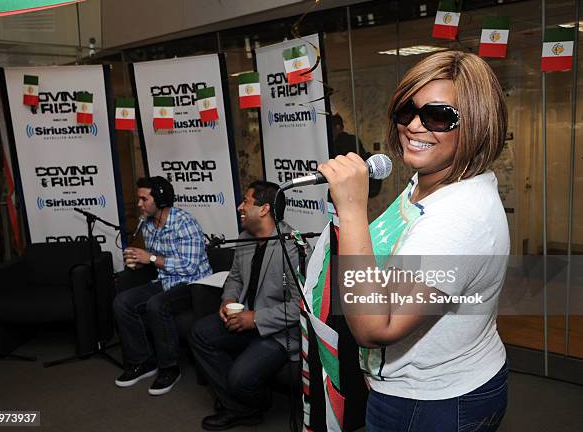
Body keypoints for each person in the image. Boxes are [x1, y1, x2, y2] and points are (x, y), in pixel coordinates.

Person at [317, 51, 510, 431]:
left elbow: (375, 328)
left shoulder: (458, 218)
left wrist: (353, 210)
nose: (415, 127)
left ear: (476, 123)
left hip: (433, 401)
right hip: (414, 386)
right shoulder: (430, 180)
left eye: (439, 116)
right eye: (408, 110)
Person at [191, 180, 302, 431]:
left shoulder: (291, 246)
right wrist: (228, 299)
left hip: (277, 333)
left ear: (264, 209)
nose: (240, 207)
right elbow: (235, 278)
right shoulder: (245, 238)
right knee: (200, 333)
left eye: (246, 202)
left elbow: (299, 306)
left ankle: (250, 402)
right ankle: (242, 408)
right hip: (243, 320)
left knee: (240, 379)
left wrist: (256, 318)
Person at [113, 176, 212, 395]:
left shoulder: (184, 222)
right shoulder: (147, 224)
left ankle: (170, 368)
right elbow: (156, 259)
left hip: (192, 283)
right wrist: (140, 262)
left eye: (143, 199)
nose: (139, 204)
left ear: (160, 198)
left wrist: (148, 258)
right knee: (122, 302)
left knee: (157, 305)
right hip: (165, 279)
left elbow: (189, 266)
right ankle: (144, 361)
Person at [331, 113, 382, 198]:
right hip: (357, 185)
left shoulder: (342, 141)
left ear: (337, 127)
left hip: (348, 187)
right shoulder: (352, 139)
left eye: (331, 128)